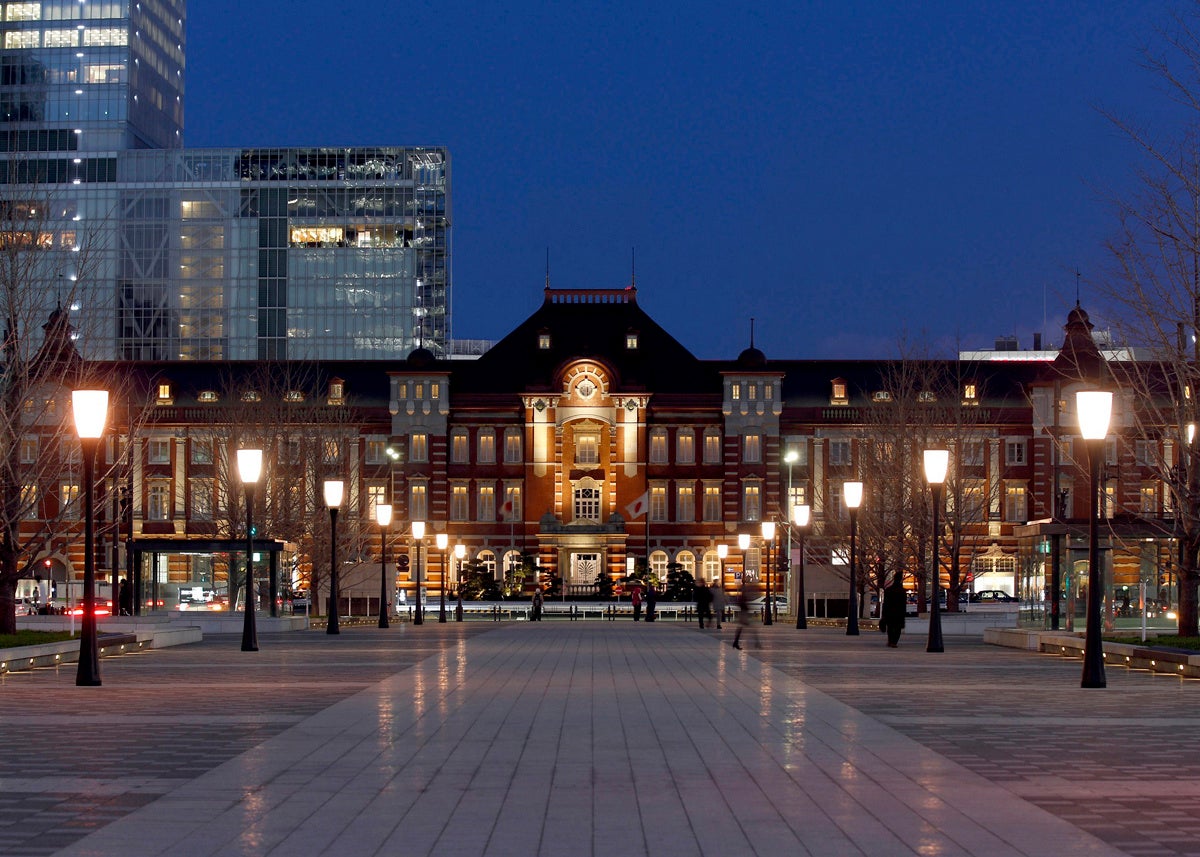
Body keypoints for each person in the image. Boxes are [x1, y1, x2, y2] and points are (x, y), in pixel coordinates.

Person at [881, 576, 907, 648]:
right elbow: (903, 604)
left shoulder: (889, 590)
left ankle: (890, 641)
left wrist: (884, 613)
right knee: (897, 628)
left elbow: (885, 603)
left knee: (890, 627)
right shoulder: (902, 591)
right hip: (899, 613)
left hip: (890, 612)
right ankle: (894, 642)